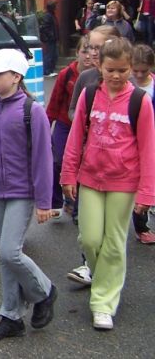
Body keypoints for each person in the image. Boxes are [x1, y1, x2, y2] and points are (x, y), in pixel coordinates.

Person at [60, 37, 155, 330]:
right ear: (99, 67)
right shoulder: (89, 95)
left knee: (114, 243)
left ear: (130, 68)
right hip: (90, 177)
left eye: (123, 70)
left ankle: (103, 303)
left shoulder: (140, 101)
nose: (116, 76)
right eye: (110, 70)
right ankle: (103, 278)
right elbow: (75, 137)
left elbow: (148, 149)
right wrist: (67, 175)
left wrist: (147, 193)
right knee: (89, 239)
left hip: (124, 181)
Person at [0, 48, 56, 341]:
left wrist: (44, 201)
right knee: (4, 256)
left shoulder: (32, 111)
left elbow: (43, 159)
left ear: (16, 77)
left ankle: (45, 291)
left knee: (10, 252)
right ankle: (10, 315)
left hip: (22, 193)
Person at [46, 35, 92, 219]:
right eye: (84, 51)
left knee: (83, 165)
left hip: (87, 127)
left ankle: (77, 208)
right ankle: (56, 201)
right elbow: (54, 103)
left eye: (91, 51)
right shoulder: (66, 74)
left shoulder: (98, 75)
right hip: (65, 123)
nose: (88, 56)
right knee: (57, 160)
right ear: (77, 53)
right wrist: (45, 128)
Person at [129, 43, 155, 244]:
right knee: (137, 184)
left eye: (143, 71)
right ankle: (141, 226)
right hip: (131, 141)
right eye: (135, 70)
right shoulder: (126, 86)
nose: (138, 75)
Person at [40, 0, 59, 76]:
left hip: (53, 38)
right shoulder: (48, 16)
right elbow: (45, 27)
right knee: (49, 55)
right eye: (55, 6)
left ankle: (50, 70)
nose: (56, 7)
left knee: (53, 55)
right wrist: (50, 35)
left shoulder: (52, 15)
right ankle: (46, 71)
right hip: (50, 39)